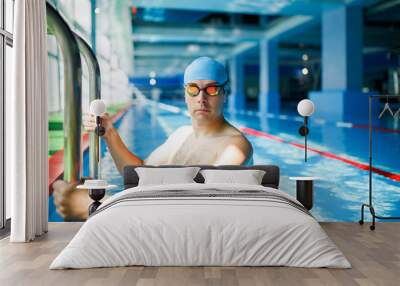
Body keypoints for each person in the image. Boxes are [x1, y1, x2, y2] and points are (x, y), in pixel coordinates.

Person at [53, 56, 253, 220]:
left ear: (224, 94)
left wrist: (96, 207)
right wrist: (110, 134)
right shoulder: (181, 134)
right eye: (193, 89)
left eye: (211, 89)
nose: (201, 98)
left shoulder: (234, 148)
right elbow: (142, 173)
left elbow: (200, 210)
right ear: (185, 95)